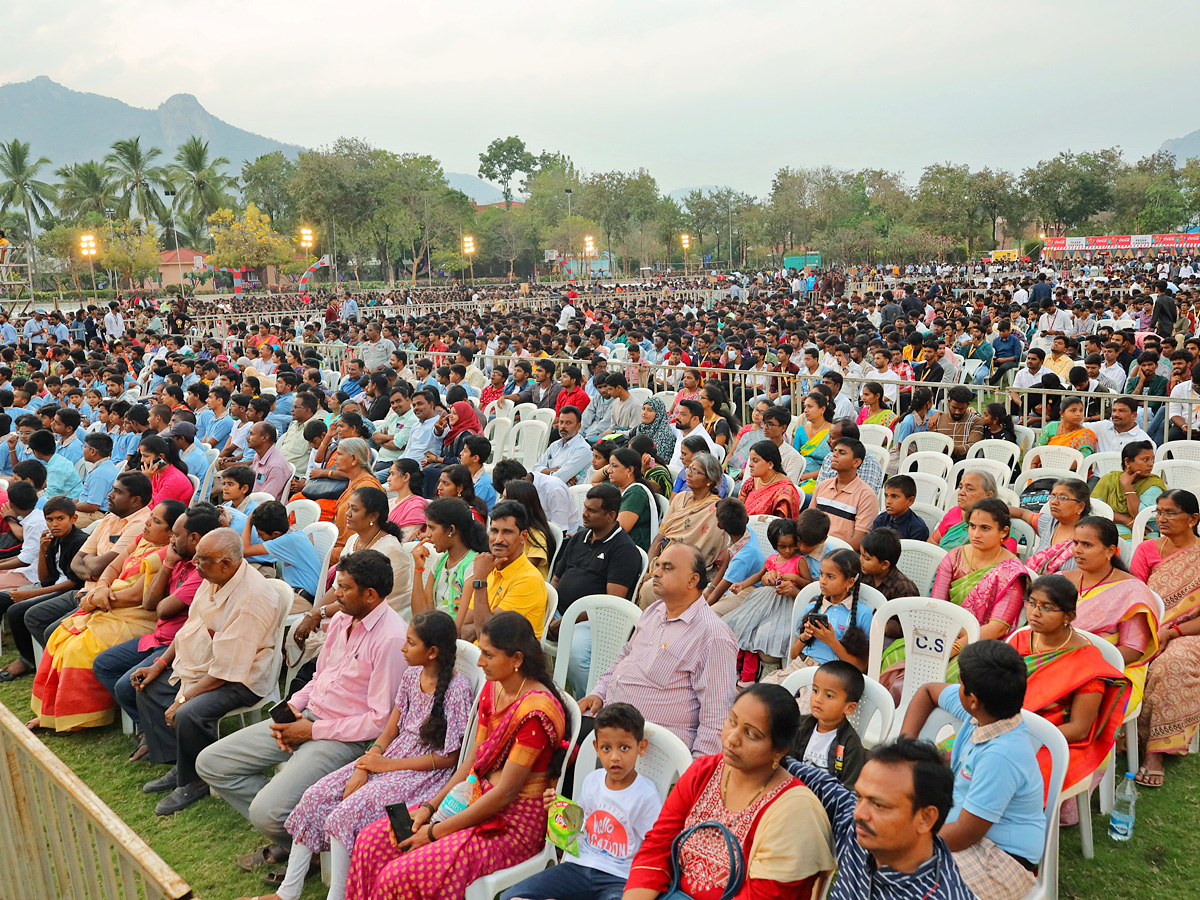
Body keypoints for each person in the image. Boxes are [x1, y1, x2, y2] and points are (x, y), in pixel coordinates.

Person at [197, 548, 410, 886]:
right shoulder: (342, 619)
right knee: (211, 763)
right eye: (337, 585)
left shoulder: (392, 638)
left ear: (370, 595)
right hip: (308, 718)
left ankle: (298, 836)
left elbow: (379, 721)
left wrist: (311, 732)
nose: (335, 594)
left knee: (266, 812)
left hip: (344, 740)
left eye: (344, 588)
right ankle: (299, 834)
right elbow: (319, 677)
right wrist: (294, 708)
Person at [344, 612, 569, 900]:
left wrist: (435, 832)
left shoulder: (534, 713)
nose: (479, 662)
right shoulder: (494, 687)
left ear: (516, 659)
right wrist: (430, 807)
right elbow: (472, 763)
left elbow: (504, 794)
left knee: (397, 876)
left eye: (488, 654)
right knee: (372, 841)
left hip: (510, 826)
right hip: (471, 799)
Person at [623, 684, 836, 900]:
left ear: (779, 750)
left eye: (751, 734)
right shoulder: (703, 772)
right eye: (732, 721)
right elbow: (658, 846)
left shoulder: (794, 813)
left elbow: (765, 895)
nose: (732, 738)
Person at [133, 528, 282, 816]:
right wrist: (159, 665)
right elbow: (189, 630)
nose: (195, 565)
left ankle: (196, 780)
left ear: (226, 564)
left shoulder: (252, 598)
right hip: (207, 663)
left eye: (202, 560)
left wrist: (183, 698)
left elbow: (228, 670)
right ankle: (181, 764)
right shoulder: (212, 576)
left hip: (243, 677)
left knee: (189, 712)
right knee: (147, 687)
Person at [900, 640, 1047, 900]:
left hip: (999, 857)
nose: (956, 685)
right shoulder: (986, 714)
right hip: (959, 829)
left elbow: (966, 834)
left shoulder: (1002, 755)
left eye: (961, 681)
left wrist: (908, 842)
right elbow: (927, 692)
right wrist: (904, 749)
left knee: (908, 883)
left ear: (974, 699)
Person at [29, 499, 185, 732]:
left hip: (136, 617)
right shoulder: (142, 540)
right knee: (59, 638)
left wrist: (93, 599)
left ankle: (80, 717)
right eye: (150, 517)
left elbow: (135, 596)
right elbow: (111, 568)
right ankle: (52, 713)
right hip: (109, 604)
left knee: (78, 649)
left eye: (156, 521)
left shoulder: (163, 555)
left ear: (172, 533)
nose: (148, 523)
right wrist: (101, 586)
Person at [581, 543, 736, 757]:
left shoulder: (713, 636)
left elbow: (716, 718)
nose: (656, 573)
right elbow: (626, 655)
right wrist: (599, 692)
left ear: (693, 580)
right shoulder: (656, 610)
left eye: (668, 568)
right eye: (657, 565)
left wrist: (695, 773)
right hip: (610, 722)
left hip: (651, 749)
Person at [501, 702, 661, 900]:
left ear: (641, 747)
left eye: (624, 747)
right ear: (596, 748)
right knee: (512, 896)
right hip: (578, 867)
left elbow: (656, 849)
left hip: (618, 878)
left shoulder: (646, 796)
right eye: (606, 748)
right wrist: (557, 809)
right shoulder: (592, 781)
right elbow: (577, 824)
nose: (615, 757)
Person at [93, 502, 213, 760]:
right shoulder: (180, 560)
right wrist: (171, 563)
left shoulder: (202, 571)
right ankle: (150, 726)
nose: (170, 540)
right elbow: (150, 603)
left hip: (175, 645)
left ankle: (158, 734)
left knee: (128, 685)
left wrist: (168, 562)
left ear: (194, 539)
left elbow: (163, 610)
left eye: (176, 535)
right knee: (104, 664)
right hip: (157, 638)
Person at [786, 736, 974, 900]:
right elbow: (819, 783)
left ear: (926, 818)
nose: (858, 813)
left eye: (879, 805)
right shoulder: (862, 832)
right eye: (860, 796)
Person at [882, 499, 1030, 682]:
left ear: (1004, 532)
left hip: (980, 644)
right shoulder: (955, 556)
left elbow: (997, 627)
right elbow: (937, 604)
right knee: (892, 657)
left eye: (985, 528)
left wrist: (955, 645)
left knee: (948, 676)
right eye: (972, 526)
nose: (976, 534)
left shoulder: (1012, 573)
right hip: (942, 630)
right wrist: (944, 638)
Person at [1008, 576, 1130, 796]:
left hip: (1053, 737)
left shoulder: (1088, 665)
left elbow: (1079, 728)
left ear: (1069, 616)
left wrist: (1022, 735)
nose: (1035, 612)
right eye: (1032, 603)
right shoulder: (1021, 640)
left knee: (1008, 770)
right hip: (1008, 722)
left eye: (1047, 608)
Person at [1130, 490, 1200, 788]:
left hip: (1190, 631)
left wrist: (1173, 631)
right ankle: (1122, 735)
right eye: (1159, 511)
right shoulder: (1147, 549)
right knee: (1128, 656)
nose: (1161, 518)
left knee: (1172, 663)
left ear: (1193, 519)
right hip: (1148, 625)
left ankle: (1155, 751)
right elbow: (1133, 597)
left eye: (1170, 512)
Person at [547, 483, 642, 692]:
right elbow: (556, 579)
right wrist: (551, 612)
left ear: (610, 515)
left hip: (592, 621)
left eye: (592, 510)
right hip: (559, 613)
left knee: (575, 656)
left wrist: (568, 619)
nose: (584, 514)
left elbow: (610, 602)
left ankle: (588, 703)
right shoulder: (580, 537)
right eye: (585, 508)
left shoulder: (623, 550)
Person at [1059, 516, 1159, 711]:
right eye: (1075, 542)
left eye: (1087, 545)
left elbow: (1132, 650)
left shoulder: (1131, 590)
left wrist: (1080, 663)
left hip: (1110, 671)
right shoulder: (1060, 581)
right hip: (1055, 661)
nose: (1077, 550)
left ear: (1110, 551)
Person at [723, 517, 808, 684]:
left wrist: (795, 579)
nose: (787, 550)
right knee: (742, 625)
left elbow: (809, 585)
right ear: (774, 545)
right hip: (764, 599)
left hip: (785, 604)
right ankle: (737, 670)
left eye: (791, 545)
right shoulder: (772, 559)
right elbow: (758, 575)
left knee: (767, 633)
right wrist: (741, 585)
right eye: (782, 547)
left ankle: (758, 674)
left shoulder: (799, 561)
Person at [637, 452, 728, 609]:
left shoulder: (715, 510)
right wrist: (651, 568)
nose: (688, 474)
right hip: (662, 561)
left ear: (709, 481)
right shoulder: (680, 498)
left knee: (649, 589)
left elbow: (703, 551)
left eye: (695, 471)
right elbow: (660, 537)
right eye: (688, 469)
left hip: (687, 568)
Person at [460, 500, 548, 642]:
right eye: (494, 531)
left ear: (523, 537)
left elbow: (487, 637)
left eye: (507, 532)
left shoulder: (528, 580)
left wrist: (480, 579)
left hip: (509, 662)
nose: (498, 539)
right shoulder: (490, 568)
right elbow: (463, 630)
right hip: (480, 657)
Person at [410, 498, 489, 623]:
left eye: (432, 528)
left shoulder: (473, 566)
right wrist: (418, 569)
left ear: (451, 530)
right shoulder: (440, 562)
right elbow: (420, 614)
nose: (427, 534)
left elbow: (459, 623)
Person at [792, 660, 866, 787]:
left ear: (849, 708)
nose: (818, 699)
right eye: (815, 690)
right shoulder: (799, 725)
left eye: (829, 696)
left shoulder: (851, 745)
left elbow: (849, 788)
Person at [1012, 477, 1092, 574]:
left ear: (1080, 507)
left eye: (1063, 498)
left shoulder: (1090, 535)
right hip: (1036, 584)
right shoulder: (1047, 523)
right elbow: (1022, 513)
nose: (1054, 502)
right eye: (1053, 496)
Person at [703, 497, 768, 617]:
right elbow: (728, 559)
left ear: (720, 526)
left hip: (750, 589)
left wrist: (703, 608)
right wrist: (710, 588)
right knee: (697, 596)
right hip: (734, 583)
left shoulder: (743, 557)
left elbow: (719, 592)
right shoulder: (743, 531)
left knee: (710, 614)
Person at [812, 438, 879, 551]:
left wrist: (825, 552)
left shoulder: (866, 495)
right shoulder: (823, 486)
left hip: (842, 557)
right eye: (835, 451)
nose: (835, 455)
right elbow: (809, 523)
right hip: (813, 548)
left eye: (842, 453)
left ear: (856, 462)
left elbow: (858, 542)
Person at [1091, 440, 1165, 539]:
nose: (1151, 464)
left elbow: (1140, 515)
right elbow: (1095, 509)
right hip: (1108, 528)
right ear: (1127, 461)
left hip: (1144, 532)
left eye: (1152, 459)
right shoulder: (1109, 479)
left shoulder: (1153, 484)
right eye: (1145, 459)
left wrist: (1127, 486)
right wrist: (1126, 520)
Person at [930, 471, 1014, 552]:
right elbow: (933, 542)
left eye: (969, 489)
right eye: (960, 488)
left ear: (988, 496)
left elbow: (1003, 559)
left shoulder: (999, 523)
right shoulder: (954, 513)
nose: (961, 493)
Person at [329, 438, 383, 561]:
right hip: (340, 547)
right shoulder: (354, 482)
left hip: (352, 554)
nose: (334, 458)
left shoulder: (367, 487)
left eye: (339, 454)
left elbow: (360, 539)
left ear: (354, 459)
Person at [499, 478, 558, 578]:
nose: (501, 501)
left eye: (505, 498)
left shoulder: (537, 536)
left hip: (526, 584)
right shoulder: (509, 529)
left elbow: (525, 569)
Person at [606, 446, 656, 552]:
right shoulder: (619, 489)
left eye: (614, 466)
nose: (609, 471)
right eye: (609, 466)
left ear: (630, 470)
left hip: (631, 550)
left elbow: (620, 528)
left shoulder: (636, 493)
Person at [738, 440, 801, 519]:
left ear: (770, 464)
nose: (750, 465)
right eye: (750, 460)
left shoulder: (784, 491)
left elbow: (780, 523)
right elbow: (738, 509)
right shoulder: (751, 483)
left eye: (755, 461)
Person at [860, 527, 920, 601]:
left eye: (866, 558)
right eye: (861, 554)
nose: (860, 560)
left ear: (884, 564)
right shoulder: (862, 572)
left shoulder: (904, 589)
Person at [927, 386, 984, 462]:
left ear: (967, 405)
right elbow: (932, 442)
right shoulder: (938, 419)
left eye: (961, 409)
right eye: (954, 407)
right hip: (939, 461)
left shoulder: (976, 421)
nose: (957, 412)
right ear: (949, 402)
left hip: (963, 462)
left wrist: (950, 448)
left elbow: (972, 446)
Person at [792, 391, 834, 488]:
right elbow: (795, 457)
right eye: (805, 406)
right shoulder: (801, 430)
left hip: (823, 478)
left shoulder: (833, 431)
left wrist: (804, 477)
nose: (805, 410)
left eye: (810, 407)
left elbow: (832, 465)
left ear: (822, 409)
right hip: (799, 474)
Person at [139, 433, 194, 505]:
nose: (142, 460)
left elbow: (155, 508)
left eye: (146, 456)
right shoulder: (155, 473)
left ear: (161, 457)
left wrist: (146, 480)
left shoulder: (174, 479)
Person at [872, 474, 930, 541]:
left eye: (895, 496)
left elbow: (912, 551)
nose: (888, 501)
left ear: (910, 501)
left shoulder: (918, 528)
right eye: (886, 496)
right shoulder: (881, 520)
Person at [247, 422, 293, 502]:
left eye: (251, 434)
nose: (247, 438)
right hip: (252, 501)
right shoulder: (257, 456)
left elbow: (265, 499)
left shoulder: (276, 465)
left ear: (264, 438)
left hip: (264, 509)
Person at [385, 457, 428, 539]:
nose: (388, 479)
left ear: (406, 477)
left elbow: (405, 539)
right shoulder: (390, 502)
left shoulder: (416, 506)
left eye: (393, 474)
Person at [626, 397, 675, 463]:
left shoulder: (664, 434)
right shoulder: (638, 429)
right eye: (643, 409)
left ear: (658, 414)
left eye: (649, 410)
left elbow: (660, 459)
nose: (644, 413)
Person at [629, 434, 673, 499]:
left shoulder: (658, 472)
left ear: (643, 454)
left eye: (631, 452)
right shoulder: (638, 466)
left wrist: (643, 471)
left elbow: (649, 491)